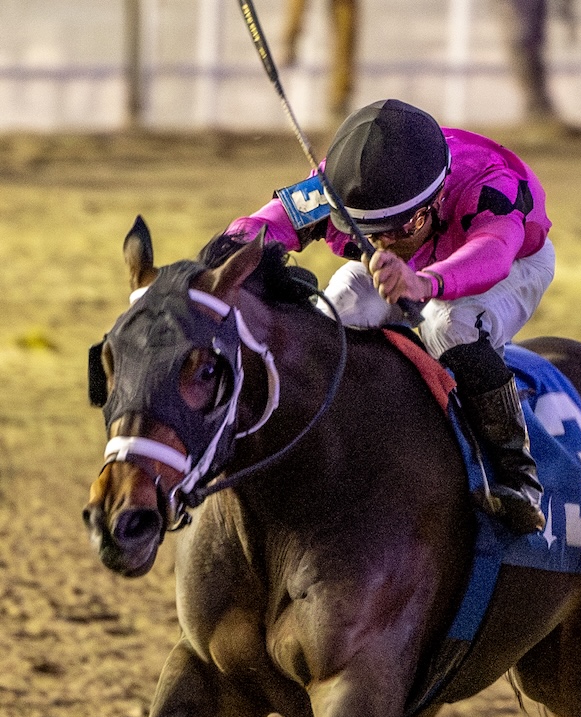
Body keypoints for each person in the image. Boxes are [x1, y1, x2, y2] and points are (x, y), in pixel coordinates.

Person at [228, 98, 552, 535]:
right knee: (337, 307)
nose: (386, 242)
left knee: (448, 324)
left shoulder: (491, 184)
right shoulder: (334, 186)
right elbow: (263, 226)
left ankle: (518, 475)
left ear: (437, 198)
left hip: (511, 265)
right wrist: (217, 261)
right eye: (370, 232)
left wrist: (424, 282)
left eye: (402, 228)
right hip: (414, 267)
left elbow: (492, 251)